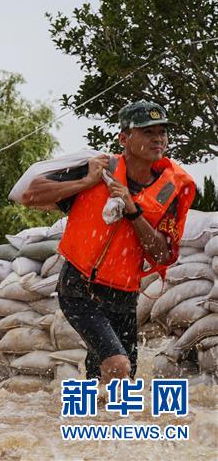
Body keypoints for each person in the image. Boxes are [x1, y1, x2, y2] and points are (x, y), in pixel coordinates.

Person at [20, 100, 195, 384]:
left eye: (162, 132)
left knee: (112, 380)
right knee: (118, 365)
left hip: (125, 296)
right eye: (148, 132)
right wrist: (85, 183)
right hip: (81, 288)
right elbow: (30, 195)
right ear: (124, 139)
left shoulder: (170, 189)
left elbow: (162, 255)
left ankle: (87, 412)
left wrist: (133, 211)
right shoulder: (98, 169)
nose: (158, 139)